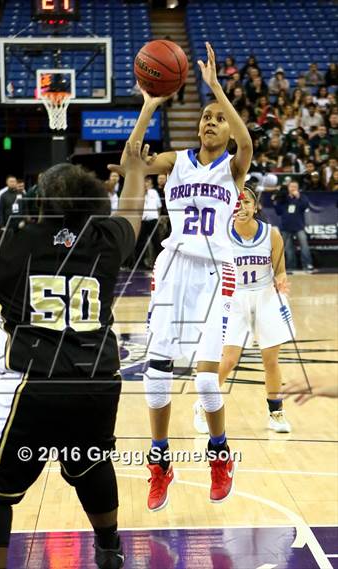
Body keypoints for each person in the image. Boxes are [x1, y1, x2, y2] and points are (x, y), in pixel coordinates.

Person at [0, 141, 153, 569]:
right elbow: (130, 215)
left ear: (41, 200)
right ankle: (109, 549)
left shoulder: (16, 241)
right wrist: (135, 172)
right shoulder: (106, 238)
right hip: (98, 382)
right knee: (91, 461)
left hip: (32, 384)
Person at [109, 42, 252, 509]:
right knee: (155, 377)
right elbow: (134, 159)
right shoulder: (177, 161)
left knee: (207, 382)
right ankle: (160, 462)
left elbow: (248, 143)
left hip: (215, 274)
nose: (208, 123)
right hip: (172, 269)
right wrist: (148, 105)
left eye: (216, 119)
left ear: (227, 130)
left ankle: (219, 454)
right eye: (204, 118)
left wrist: (216, 89)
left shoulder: (234, 167)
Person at [194, 188, 295, 434]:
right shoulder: (221, 235)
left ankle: (276, 413)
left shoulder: (272, 235)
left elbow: (280, 269)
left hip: (266, 296)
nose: (241, 207)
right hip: (234, 298)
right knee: (228, 359)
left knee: (270, 359)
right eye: (237, 203)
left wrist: (281, 280)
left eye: (246, 202)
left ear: (255, 206)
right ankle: (202, 405)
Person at [273, 180, 314, 272]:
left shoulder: (302, 197)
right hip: (286, 227)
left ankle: (307, 265)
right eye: (291, 186)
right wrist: (275, 202)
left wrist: (298, 197)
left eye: (295, 187)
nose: (293, 188)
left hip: (299, 226)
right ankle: (291, 266)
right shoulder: (283, 198)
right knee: (288, 248)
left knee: (304, 246)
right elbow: (278, 212)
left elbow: (305, 206)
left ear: (298, 188)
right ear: (288, 188)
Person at [134, 176, 162, 269]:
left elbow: (159, 206)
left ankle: (160, 263)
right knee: (140, 243)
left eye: (148, 182)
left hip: (153, 220)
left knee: (156, 243)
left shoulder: (154, 192)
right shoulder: (138, 193)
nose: (146, 184)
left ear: (150, 184)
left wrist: (157, 217)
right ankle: (140, 264)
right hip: (142, 221)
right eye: (144, 182)